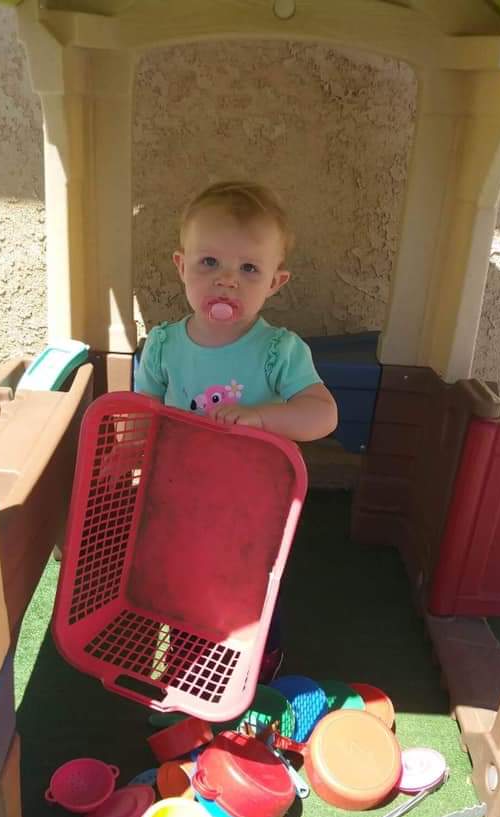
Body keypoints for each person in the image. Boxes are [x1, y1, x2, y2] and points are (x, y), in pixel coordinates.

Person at [135, 180, 338, 679]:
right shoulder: (163, 345)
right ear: (182, 266)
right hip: (181, 498)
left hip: (253, 507)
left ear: (275, 282)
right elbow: (143, 415)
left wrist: (263, 416)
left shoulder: (278, 351)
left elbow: (323, 414)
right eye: (210, 263)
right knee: (182, 576)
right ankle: (185, 655)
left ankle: (259, 658)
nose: (227, 281)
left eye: (248, 269)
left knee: (252, 583)